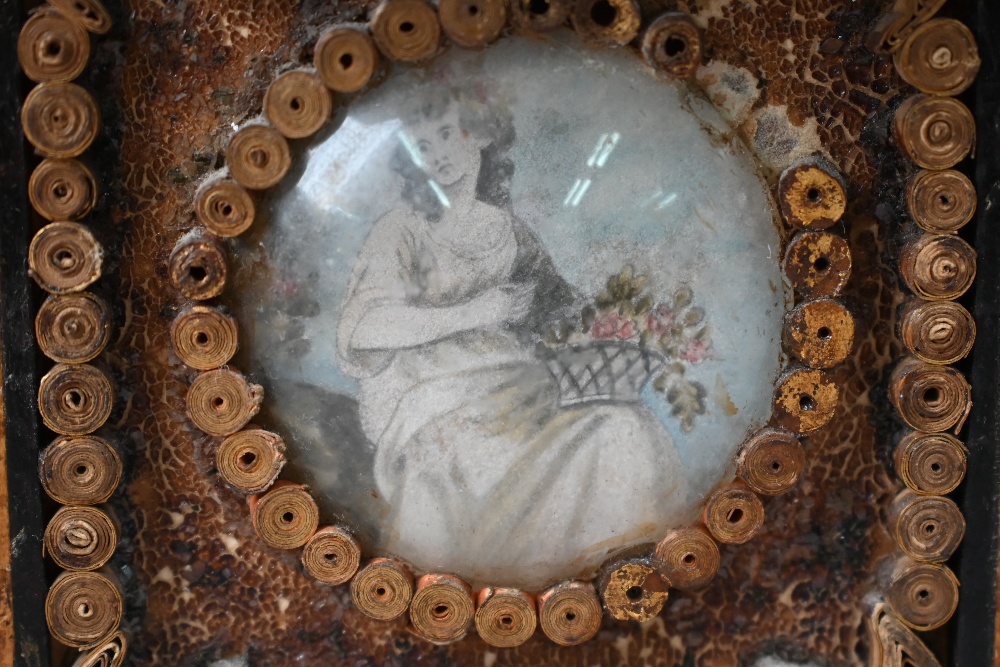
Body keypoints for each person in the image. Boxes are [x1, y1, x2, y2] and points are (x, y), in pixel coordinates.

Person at [336, 87, 688, 587]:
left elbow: (562, 313)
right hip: (430, 394)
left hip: (518, 388)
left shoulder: (510, 233)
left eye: (445, 133)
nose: (436, 152)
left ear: (479, 133)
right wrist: (474, 312)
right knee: (454, 453)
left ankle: (606, 580)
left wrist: (630, 322)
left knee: (623, 426)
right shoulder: (403, 230)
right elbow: (366, 326)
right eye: (422, 144)